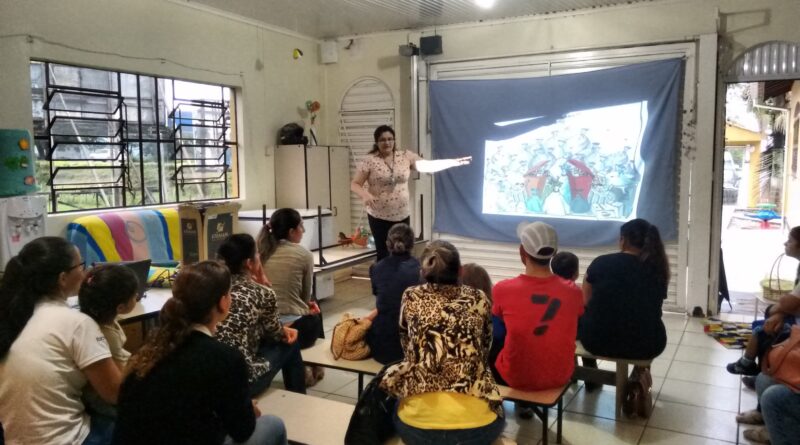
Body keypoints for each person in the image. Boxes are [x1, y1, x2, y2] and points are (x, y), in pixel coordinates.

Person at [113, 261, 287, 445]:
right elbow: (242, 431)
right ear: (223, 302)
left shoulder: (147, 351)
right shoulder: (224, 358)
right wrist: (247, 410)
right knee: (273, 424)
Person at [380, 240, 505, 444]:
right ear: (461, 271)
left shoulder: (411, 296)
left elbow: (407, 347)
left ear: (422, 272)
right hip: (477, 429)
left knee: (395, 407)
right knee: (496, 413)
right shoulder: (479, 298)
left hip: (418, 428)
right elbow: (484, 348)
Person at [0, 237, 121, 445]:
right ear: (62, 278)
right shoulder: (76, 323)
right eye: (81, 266)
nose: (84, 273)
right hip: (67, 439)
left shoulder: (12, 317)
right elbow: (116, 393)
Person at [490, 222, 584, 419]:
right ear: (554, 252)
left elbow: (497, 326)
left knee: (495, 339)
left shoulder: (502, 289)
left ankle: (493, 411)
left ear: (522, 251)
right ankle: (523, 405)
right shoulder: (574, 292)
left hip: (515, 376)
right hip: (560, 374)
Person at [350, 125, 472, 261]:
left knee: (403, 253)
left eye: (390, 139)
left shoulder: (405, 156)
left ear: (394, 140)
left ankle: (404, 281)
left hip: (402, 214)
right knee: (384, 254)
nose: (387, 143)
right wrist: (365, 195)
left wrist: (453, 162)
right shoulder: (369, 160)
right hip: (379, 216)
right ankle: (383, 280)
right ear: (376, 142)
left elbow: (427, 165)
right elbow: (355, 184)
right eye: (382, 140)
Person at [215, 234, 306, 396]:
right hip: (243, 384)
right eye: (257, 254)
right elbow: (276, 334)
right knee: (290, 343)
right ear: (249, 263)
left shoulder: (213, 288)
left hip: (214, 381)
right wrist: (283, 331)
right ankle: (299, 397)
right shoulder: (262, 293)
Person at [579, 218, 669, 361]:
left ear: (623, 240)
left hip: (597, 342)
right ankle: (640, 375)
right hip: (648, 345)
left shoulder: (600, 262)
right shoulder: (658, 268)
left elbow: (586, 301)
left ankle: (589, 376)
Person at [257, 208, 324, 385]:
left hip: (263, 329)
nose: (304, 230)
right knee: (314, 308)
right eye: (301, 226)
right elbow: (305, 297)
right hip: (293, 329)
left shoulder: (259, 253)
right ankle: (314, 365)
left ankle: (308, 367)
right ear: (291, 232)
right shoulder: (304, 255)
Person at [727, 226, 800, 376]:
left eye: (790, 241)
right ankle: (760, 373)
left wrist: (778, 309)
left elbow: (789, 303)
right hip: (794, 315)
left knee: (763, 329)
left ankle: (749, 365)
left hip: (797, 324)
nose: (785, 244)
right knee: (770, 316)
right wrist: (779, 311)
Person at [79, 265, 141, 418]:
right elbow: (120, 379)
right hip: (103, 404)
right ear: (120, 307)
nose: (138, 296)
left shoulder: (103, 318)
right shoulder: (105, 335)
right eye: (134, 296)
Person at [362, 223, 421, 364]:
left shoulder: (376, 268)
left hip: (382, 346)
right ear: (412, 244)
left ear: (388, 243)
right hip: (413, 347)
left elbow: (385, 302)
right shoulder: (421, 269)